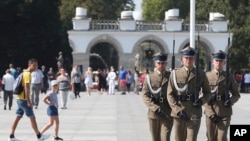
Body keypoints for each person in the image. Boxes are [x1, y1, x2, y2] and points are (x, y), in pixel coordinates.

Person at [167, 47, 211, 141]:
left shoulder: (201, 74)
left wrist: (201, 101)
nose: (188, 60)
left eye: (191, 58)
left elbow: (208, 93)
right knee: (179, 139)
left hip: (194, 112)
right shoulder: (174, 73)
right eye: (186, 58)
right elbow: (170, 94)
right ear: (182, 59)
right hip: (179, 111)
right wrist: (177, 110)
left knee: (191, 139)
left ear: (194, 59)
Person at [8, 58, 50, 141]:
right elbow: (26, 88)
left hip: (20, 99)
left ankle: (11, 136)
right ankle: (39, 136)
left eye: (37, 65)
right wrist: (29, 101)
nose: (36, 67)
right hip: (24, 100)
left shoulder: (24, 72)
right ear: (29, 65)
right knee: (32, 117)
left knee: (17, 116)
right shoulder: (27, 74)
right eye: (34, 65)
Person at [205, 50, 240, 141]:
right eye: (217, 60)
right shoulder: (206, 76)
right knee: (211, 138)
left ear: (224, 63)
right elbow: (203, 96)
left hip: (225, 111)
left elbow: (236, 94)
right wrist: (211, 113)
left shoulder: (229, 76)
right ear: (213, 62)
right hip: (211, 111)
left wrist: (230, 101)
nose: (219, 63)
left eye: (221, 61)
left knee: (222, 137)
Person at [142, 52, 173, 141]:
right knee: (155, 139)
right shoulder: (149, 78)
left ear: (166, 63)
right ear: (155, 63)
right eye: (159, 63)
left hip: (167, 112)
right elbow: (145, 96)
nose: (161, 65)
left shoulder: (171, 76)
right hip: (154, 113)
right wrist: (155, 108)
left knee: (165, 138)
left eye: (163, 63)